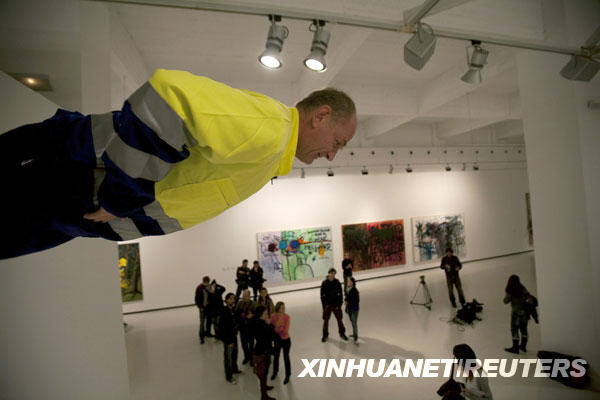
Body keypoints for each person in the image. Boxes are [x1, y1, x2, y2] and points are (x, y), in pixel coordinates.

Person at [0, 69, 357, 259]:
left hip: (83, 196)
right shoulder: (271, 129)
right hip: (79, 175)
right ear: (321, 116)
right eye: (337, 142)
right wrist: (118, 199)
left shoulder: (270, 155)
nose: (332, 155)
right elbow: (168, 97)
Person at [503, 274, 536, 354]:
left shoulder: (511, 291)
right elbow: (530, 298)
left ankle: (515, 347)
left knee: (514, 329)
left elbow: (505, 301)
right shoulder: (523, 288)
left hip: (516, 313)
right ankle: (523, 346)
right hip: (525, 313)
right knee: (524, 329)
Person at [251, 306, 276, 400]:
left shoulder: (259, 322)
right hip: (262, 352)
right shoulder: (261, 324)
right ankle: (264, 395)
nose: (267, 315)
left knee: (265, 372)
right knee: (263, 374)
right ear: (261, 314)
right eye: (265, 313)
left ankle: (264, 386)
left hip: (265, 351)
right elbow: (270, 336)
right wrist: (270, 325)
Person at [320, 268, 348, 342]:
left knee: (339, 320)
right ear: (328, 273)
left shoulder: (337, 282)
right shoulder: (324, 283)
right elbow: (322, 296)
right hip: (328, 305)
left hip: (336, 305)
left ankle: (342, 333)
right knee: (326, 320)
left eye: (334, 274)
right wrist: (324, 306)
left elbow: (341, 294)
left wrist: (339, 305)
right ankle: (325, 335)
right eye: (331, 273)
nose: (332, 275)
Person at [219, 293, 241, 384]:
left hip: (234, 336)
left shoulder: (233, 310)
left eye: (234, 299)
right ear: (227, 300)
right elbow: (222, 328)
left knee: (235, 354)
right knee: (228, 358)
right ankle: (229, 376)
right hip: (228, 339)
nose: (233, 300)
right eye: (231, 299)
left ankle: (234, 369)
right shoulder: (224, 311)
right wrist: (228, 341)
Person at [270, 301, 291, 384]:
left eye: (284, 307)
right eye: (281, 307)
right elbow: (272, 329)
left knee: (286, 357)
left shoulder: (287, 317)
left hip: (286, 340)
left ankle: (287, 375)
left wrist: (278, 328)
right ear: (277, 308)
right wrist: (279, 328)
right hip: (277, 340)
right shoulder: (273, 316)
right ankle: (275, 372)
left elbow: (285, 331)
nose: (283, 308)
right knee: (276, 356)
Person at [235, 289, 256, 365]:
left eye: (246, 296)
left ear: (249, 296)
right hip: (242, 328)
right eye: (243, 296)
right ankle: (246, 357)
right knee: (244, 344)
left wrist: (252, 315)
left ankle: (251, 358)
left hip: (251, 328)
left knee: (251, 344)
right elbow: (236, 315)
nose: (244, 297)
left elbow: (257, 315)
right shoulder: (239, 304)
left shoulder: (254, 304)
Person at [194, 275, 211, 343]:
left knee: (209, 321)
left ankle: (208, 333)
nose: (207, 284)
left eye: (208, 283)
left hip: (209, 307)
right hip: (202, 308)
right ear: (203, 281)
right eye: (206, 283)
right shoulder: (199, 288)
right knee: (202, 322)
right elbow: (196, 299)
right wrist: (200, 307)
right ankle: (201, 335)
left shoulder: (209, 286)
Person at [344, 277, 360, 342]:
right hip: (349, 309)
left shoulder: (355, 291)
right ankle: (354, 333)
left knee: (354, 322)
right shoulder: (348, 289)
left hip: (354, 309)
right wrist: (345, 301)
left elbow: (357, 301)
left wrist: (348, 302)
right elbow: (347, 297)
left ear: (352, 283)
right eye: (348, 281)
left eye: (349, 281)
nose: (348, 282)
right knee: (352, 321)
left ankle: (355, 336)